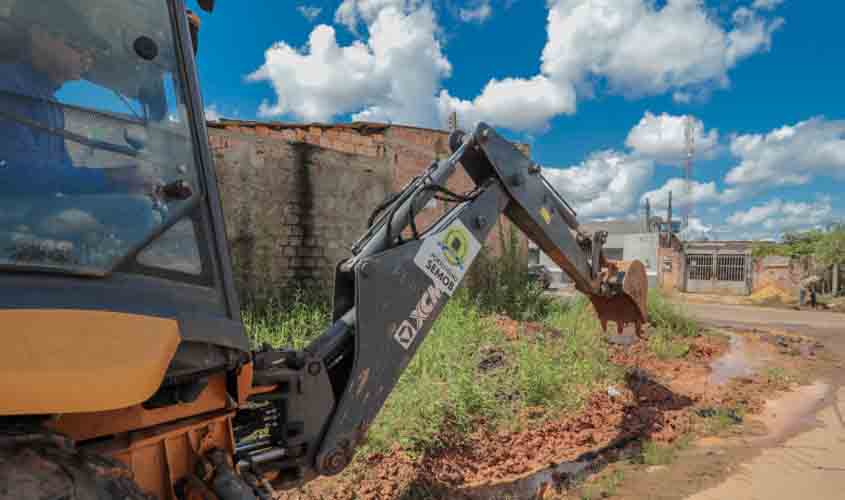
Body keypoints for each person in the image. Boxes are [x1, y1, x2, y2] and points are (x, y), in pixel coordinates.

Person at [0, 0, 153, 195]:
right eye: (78, 44)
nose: (88, 56)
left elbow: (62, 176)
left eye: (91, 50)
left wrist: (120, 185)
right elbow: (16, 174)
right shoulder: (7, 86)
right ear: (39, 35)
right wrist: (113, 177)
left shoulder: (52, 105)